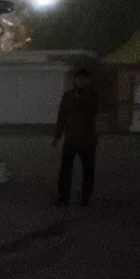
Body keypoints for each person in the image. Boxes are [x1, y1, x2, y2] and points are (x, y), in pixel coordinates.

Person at [52, 68, 99, 207]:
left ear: (88, 80)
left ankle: (86, 195)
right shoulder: (68, 96)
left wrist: (82, 99)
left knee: (88, 169)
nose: (81, 81)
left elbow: (92, 112)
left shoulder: (93, 95)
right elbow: (62, 116)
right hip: (71, 138)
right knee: (66, 168)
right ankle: (63, 196)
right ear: (75, 80)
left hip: (87, 139)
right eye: (79, 79)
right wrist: (57, 136)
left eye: (84, 79)